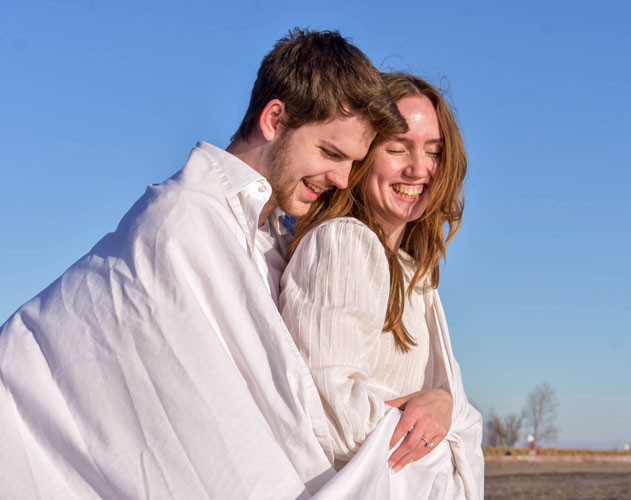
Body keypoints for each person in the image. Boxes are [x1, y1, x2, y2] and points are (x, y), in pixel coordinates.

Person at [0, 29, 406, 499]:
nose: (341, 178)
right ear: (275, 119)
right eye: (330, 153)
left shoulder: (275, 237)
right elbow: (201, 429)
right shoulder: (183, 220)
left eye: (353, 163)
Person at [280, 73, 484, 499]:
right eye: (397, 148)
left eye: (434, 151)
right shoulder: (343, 242)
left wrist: (443, 406)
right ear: (362, 155)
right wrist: (434, 424)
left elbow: (449, 409)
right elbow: (330, 416)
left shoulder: (415, 272)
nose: (418, 168)